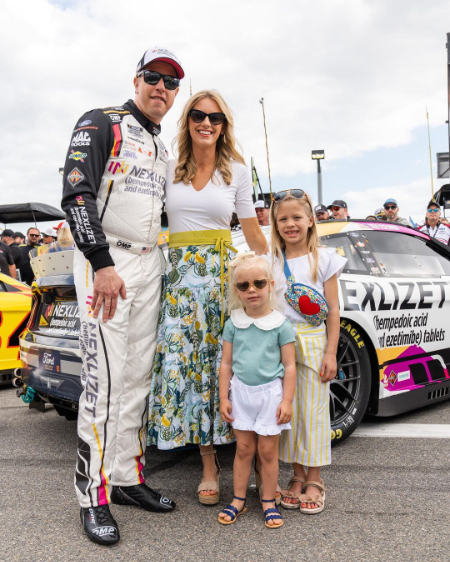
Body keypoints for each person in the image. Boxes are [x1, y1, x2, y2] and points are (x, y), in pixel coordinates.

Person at [61, 46, 183, 546]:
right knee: (104, 383)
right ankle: (92, 495)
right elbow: (75, 192)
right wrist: (101, 262)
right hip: (106, 264)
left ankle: (127, 478)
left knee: (136, 380)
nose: (161, 87)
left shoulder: (163, 146)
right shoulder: (102, 121)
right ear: (136, 81)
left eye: (171, 82)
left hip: (148, 262)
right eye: (153, 77)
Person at [148, 90, 267, 507]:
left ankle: (249, 455)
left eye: (215, 118)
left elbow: (252, 232)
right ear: (188, 122)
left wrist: (277, 271)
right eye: (198, 115)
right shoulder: (167, 168)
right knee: (188, 368)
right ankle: (209, 464)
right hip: (180, 280)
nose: (206, 123)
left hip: (221, 279)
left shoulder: (235, 169)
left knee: (225, 366)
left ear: (223, 125)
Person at [268, 189, 346, 514]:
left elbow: (333, 312)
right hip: (281, 344)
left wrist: (331, 353)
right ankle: (296, 476)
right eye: (283, 218)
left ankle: (315, 479)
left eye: (297, 217)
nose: (291, 223)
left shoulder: (324, 259)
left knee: (313, 413)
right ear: (275, 224)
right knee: (290, 412)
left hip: (314, 341)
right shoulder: (270, 262)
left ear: (311, 220)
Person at [217, 252, 295, 528]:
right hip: (240, 394)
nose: (252, 290)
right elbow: (226, 363)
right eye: (244, 285)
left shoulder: (281, 324)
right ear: (236, 290)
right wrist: (223, 397)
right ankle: (238, 498)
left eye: (259, 283)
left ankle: (268, 501)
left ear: (271, 285)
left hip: (270, 395)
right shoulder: (233, 322)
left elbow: (289, 367)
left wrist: (287, 401)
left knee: (268, 452)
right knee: (243, 449)